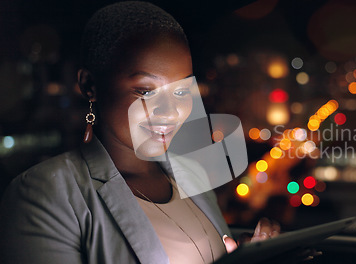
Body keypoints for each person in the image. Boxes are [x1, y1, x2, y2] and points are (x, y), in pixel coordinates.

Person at [0, 2, 279, 263]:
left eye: (181, 91)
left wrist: (243, 255)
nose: (170, 111)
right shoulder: (45, 193)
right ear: (90, 85)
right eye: (146, 91)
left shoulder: (190, 177)